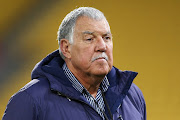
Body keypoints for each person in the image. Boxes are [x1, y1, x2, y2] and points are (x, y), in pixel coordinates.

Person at [2, 7, 146, 120]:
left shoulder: (132, 95)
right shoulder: (30, 100)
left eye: (107, 37)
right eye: (90, 39)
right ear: (66, 48)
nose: (102, 46)